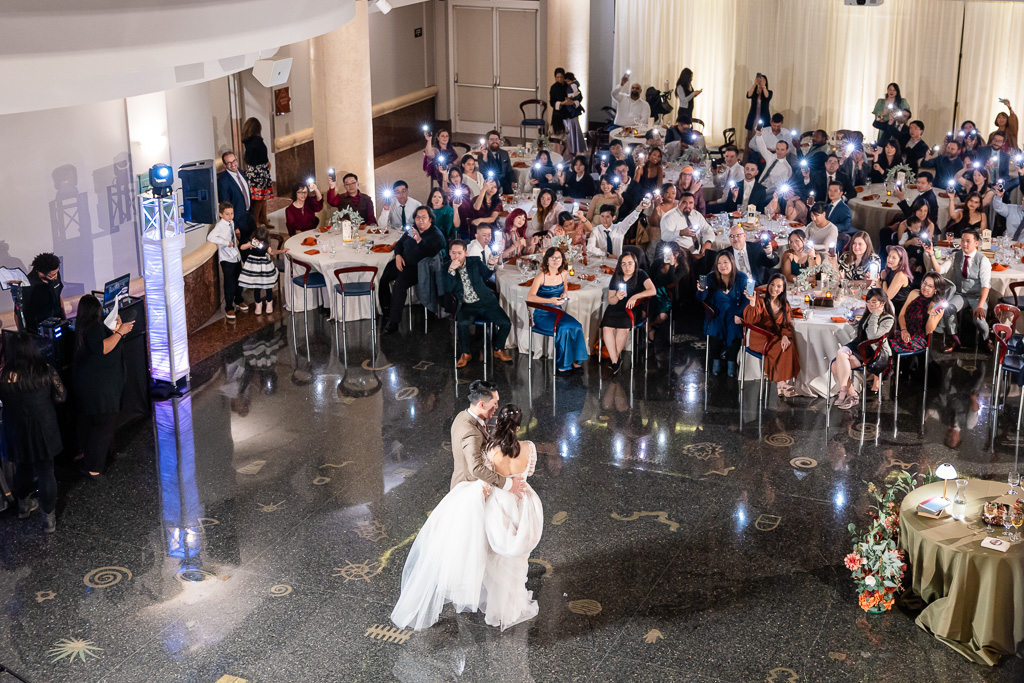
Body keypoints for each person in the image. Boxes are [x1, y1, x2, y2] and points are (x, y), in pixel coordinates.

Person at [392, 391, 537, 631]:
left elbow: (488, 476)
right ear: (519, 427)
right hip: (521, 503)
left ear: (499, 423)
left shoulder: (491, 449)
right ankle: (511, 605)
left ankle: (495, 603)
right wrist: (513, 481)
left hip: (498, 502)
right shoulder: (529, 449)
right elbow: (524, 474)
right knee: (516, 556)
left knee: (495, 555)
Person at [0, 333, 66, 532]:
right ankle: (49, 520)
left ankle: (23, 508)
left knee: (23, 467)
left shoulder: (3, 375)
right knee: (46, 471)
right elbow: (62, 396)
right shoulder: (46, 371)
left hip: (15, 430)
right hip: (43, 429)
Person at [74, 294, 134, 477]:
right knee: (102, 426)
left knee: (105, 425)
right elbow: (103, 349)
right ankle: (93, 468)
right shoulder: (92, 328)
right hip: (99, 389)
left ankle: (108, 453)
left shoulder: (90, 327)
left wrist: (115, 328)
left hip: (101, 385)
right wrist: (120, 331)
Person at [442, 242, 513, 368]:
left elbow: (486, 275)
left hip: (486, 301)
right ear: (449, 253)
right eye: (453, 253)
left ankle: (498, 349)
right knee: (462, 324)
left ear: (466, 253)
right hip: (467, 305)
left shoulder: (474, 261)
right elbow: (447, 288)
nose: (456, 256)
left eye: (459, 253)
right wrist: (452, 270)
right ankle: (465, 353)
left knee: (506, 323)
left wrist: (491, 263)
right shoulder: (446, 267)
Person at [378, 206, 446, 334]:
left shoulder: (436, 235)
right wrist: (398, 255)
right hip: (402, 262)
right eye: (417, 217)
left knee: (399, 285)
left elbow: (431, 253)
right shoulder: (412, 229)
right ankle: (387, 310)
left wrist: (420, 241)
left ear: (430, 219)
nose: (420, 220)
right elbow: (399, 244)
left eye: (423, 217)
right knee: (383, 276)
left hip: (419, 268)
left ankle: (393, 322)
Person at [925, 229, 990, 352]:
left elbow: (986, 285)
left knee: (979, 320)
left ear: (976, 243)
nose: (964, 244)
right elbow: (940, 270)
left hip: (977, 295)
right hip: (961, 294)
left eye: (968, 241)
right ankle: (953, 339)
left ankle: (986, 339)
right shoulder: (956, 255)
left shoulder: (983, 260)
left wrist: (980, 305)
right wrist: (931, 254)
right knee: (948, 308)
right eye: (962, 241)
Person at [526, 247, 589, 372]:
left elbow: (564, 286)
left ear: (562, 260)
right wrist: (551, 301)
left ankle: (575, 360)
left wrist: (564, 294)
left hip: (557, 311)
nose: (556, 260)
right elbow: (530, 297)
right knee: (564, 328)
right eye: (553, 258)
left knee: (577, 325)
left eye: (558, 258)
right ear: (547, 260)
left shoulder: (564, 273)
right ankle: (562, 365)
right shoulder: (541, 276)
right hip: (542, 314)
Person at [831, 288, 896, 409]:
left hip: (872, 350)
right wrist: (855, 324)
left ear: (882, 303)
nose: (870, 305)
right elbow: (864, 332)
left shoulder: (888, 319)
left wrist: (876, 314)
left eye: (874, 302)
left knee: (835, 366)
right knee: (840, 352)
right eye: (868, 302)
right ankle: (849, 392)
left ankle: (847, 393)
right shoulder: (868, 314)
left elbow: (872, 336)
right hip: (859, 344)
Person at [742, 273, 800, 396]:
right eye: (772, 285)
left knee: (788, 345)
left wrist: (785, 336)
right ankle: (781, 383)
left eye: (779, 286)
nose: (775, 288)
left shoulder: (785, 305)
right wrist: (752, 302)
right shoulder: (760, 300)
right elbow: (750, 321)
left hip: (776, 337)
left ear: (783, 289)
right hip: (760, 337)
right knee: (779, 346)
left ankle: (781, 384)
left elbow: (786, 325)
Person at [600, 250, 656, 373]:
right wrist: (617, 297)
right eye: (624, 264)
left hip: (632, 308)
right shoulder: (616, 276)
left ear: (635, 263)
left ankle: (614, 360)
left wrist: (634, 296)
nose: (627, 267)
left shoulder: (641, 274)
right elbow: (611, 301)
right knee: (606, 328)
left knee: (622, 328)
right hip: (615, 307)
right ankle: (615, 360)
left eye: (630, 263)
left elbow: (653, 290)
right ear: (620, 265)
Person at [697, 251, 748, 377]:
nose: (722, 266)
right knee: (715, 329)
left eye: (725, 262)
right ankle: (716, 361)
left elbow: (747, 298)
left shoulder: (741, 277)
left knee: (734, 329)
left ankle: (732, 363)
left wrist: (739, 313)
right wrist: (701, 291)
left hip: (734, 311)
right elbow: (701, 298)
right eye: (719, 263)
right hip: (716, 312)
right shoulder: (710, 277)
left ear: (732, 262)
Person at [889, 271, 945, 363]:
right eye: (925, 283)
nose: (925, 287)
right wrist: (904, 330)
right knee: (881, 339)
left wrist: (931, 316)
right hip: (903, 330)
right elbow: (901, 315)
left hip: (918, 338)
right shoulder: (914, 293)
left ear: (936, 289)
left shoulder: (937, 306)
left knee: (887, 344)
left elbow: (928, 331)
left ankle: (889, 373)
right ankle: (884, 373)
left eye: (930, 286)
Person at [207, 201, 248, 320]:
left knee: (239, 279)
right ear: (221, 214)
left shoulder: (231, 223)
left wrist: (235, 241)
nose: (230, 216)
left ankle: (239, 299)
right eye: (227, 214)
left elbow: (232, 235)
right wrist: (226, 243)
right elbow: (211, 237)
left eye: (232, 213)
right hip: (227, 258)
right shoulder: (220, 226)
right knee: (229, 283)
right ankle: (229, 307)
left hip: (235, 256)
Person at [238, 223, 289, 315]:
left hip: (265, 266)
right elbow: (242, 247)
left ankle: (269, 302)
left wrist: (282, 251)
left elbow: (271, 252)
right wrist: (248, 245)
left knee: (268, 286)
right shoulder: (252, 242)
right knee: (257, 287)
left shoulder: (266, 244)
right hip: (254, 266)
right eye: (258, 239)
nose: (260, 242)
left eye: (262, 240)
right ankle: (258, 304)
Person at [241, 117, 274, 230]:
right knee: (260, 198)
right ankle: (256, 220)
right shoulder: (257, 141)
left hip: (252, 171)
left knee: (261, 198)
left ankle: (263, 218)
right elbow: (262, 155)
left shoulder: (247, 141)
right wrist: (266, 162)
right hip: (259, 172)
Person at [648, 244, 685, 342]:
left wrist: (671, 265)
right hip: (652, 292)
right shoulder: (658, 263)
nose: (666, 255)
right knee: (644, 312)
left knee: (662, 317)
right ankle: (649, 330)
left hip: (668, 296)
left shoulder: (682, 268)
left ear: (676, 254)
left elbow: (672, 281)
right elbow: (648, 277)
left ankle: (649, 325)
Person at [22, 252, 65, 333]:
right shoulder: (27, 285)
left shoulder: (55, 274)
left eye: (56, 272)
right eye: (52, 275)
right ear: (40, 272)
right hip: (38, 329)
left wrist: (64, 320)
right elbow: (19, 313)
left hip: (58, 323)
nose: (55, 276)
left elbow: (59, 296)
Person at [216, 151, 252, 242]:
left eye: (234, 161)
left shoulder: (240, 171)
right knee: (244, 247)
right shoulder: (223, 181)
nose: (233, 165)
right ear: (224, 165)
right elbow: (226, 205)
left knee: (254, 244)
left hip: (249, 216)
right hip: (238, 220)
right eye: (229, 163)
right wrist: (235, 226)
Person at [751, 128, 791, 193]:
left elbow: (781, 186)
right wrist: (758, 134)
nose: (779, 152)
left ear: (787, 150)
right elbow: (762, 148)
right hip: (758, 186)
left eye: (782, 149)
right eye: (778, 149)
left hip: (769, 192)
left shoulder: (786, 168)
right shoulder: (772, 157)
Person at [743, 74, 772, 159]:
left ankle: (761, 160)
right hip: (753, 119)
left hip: (764, 120)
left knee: (762, 139)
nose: (760, 81)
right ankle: (748, 160)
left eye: (762, 80)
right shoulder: (754, 92)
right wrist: (755, 84)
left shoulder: (768, 92)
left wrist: (763, 87)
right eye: (759, 79)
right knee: (751, 139)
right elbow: (748, 95)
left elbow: (767, 97)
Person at [878, 245, 913, 313]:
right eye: (889, 256)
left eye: (894, 258)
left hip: (898, 311)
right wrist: (877, 279)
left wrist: (884, 279)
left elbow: (886, 297)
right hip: (889, 307)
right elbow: (880, 292)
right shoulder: (889, 270)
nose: (890, 259)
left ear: (900, 261)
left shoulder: (900, 275)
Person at [479, 130, 515, 195]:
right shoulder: (482, 155)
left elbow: (509, 170)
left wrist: (513, 181)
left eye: (496, 139)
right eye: (492, 139)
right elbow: (482, 171)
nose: (495, 141)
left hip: (505, 184)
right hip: (492, 185)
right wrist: (485, 157)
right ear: (487, 141)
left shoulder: (504, 153)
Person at [562, 71, 586, 155]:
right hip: (566, 112)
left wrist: (573, 101)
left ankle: (576, 148)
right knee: (568, 131)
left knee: (574, 130)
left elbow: (579, 96)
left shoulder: (573, 86)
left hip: (573, 111)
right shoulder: (564, 87)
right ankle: (570, 149)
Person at [549, 67, 569, 135]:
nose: (559, 79)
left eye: (561, 77)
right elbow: (552, 102)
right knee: (558, 135)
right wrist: (562, 103)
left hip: (568, 112)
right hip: (558, 114)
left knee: (568, 134)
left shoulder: (568, 85)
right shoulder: (553, 87)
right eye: (557, 77)